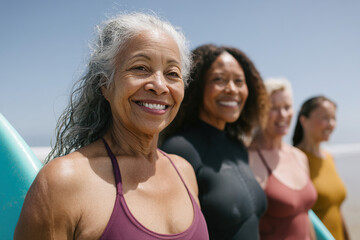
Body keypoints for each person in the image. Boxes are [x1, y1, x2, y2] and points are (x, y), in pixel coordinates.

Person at [14, 12, 209, 240]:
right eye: (140, 68)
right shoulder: (62, 182)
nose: (159, 85)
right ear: (105, 85)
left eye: (172, 74)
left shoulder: (184, 172)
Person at [160, 44, 268, 239]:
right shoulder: (180, 148)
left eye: (239, 81)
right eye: (219, 79)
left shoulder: (238, 147)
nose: (231, 89)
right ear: (197, 86)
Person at [248, 78, 317, 240]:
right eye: (274, 108)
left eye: (287, 107)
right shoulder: (248, 157)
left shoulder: (299, 156)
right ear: (260, 110)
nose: (283, 115)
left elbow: (305, 217)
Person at [293, 96, 350, 240]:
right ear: (303, 120)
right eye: (325, 118)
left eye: (333, 118)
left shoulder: (329, 158)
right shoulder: (293, 159)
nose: (331, 124)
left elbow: (335, 208)